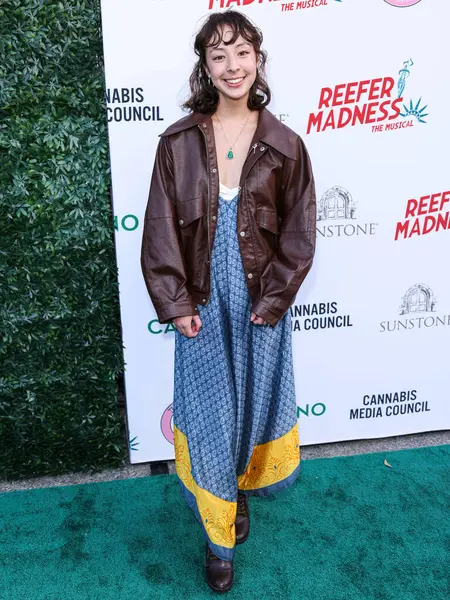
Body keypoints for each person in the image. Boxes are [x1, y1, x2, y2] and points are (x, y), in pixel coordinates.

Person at [141, 9, 316, 593]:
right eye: (219, 55)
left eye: (242, 52)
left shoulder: (286, 145)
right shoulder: (178, 141)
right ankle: (219, 541)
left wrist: (273, 300)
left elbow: (299, 232)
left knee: (250, 413)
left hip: (260, 303)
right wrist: (176, 301)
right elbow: (161, 227)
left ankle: (238, 494)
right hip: (200, 302)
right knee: (213, 418)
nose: (232, 65)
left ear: (258, 60)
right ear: (206, 68)